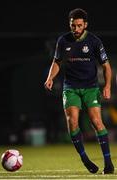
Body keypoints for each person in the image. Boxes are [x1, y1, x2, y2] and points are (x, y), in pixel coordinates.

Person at [44, 8, 114, 174]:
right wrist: (50, 77)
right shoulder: (63, 40)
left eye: (79, 25)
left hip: (91, 87)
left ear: (85, 25)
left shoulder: (94, 41)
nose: (75, 29)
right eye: (73, 25)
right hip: (71, 88)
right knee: (73, 122)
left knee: (97, 122)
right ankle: (85, 159)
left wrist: (108, 86)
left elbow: (106, 66)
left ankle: (108, 163)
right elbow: (57, 62)